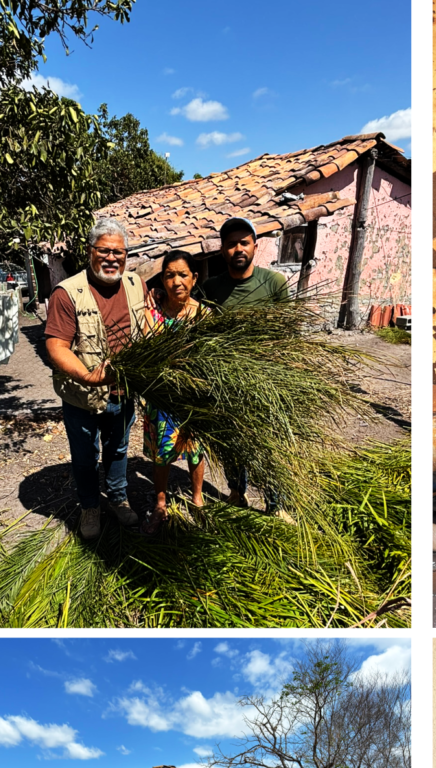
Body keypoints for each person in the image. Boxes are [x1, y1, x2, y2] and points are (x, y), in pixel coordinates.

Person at [43, 216, 144, 537]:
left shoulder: (135, 284)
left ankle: (117, 499)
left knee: (118, 449)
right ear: (90, 252)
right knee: (86, 456)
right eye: (104, 251)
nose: (112, 258)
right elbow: (56, 346)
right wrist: (88, 377)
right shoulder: (68, 292)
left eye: (119, 252)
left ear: (126, 255)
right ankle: (89, 507)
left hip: (123, 392)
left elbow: (147, 327)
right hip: (82, 395)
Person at [193, 216, 293, 513]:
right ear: (222, 250)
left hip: (268, 378)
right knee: (233, 442)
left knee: (269, 445)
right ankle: (236, 492)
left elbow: (289, 333)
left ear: (255, 246)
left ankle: (277, 504)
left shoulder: (273, 283)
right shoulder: (211, 288)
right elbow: (187, 312)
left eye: (244, 243)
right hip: (227, 383)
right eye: (231, 244)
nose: (238, 248)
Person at [138, 250, 215, 522]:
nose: (176, 281)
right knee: (162, 451)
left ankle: (197, 496)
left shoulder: (204, 315)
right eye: (169, 275)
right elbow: (147, 347)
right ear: (162, 280)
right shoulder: (153, 312)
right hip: (162, 397)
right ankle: (160, 500)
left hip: (193, 397)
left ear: (194, 278)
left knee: (196, 448)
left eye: (183, 275)